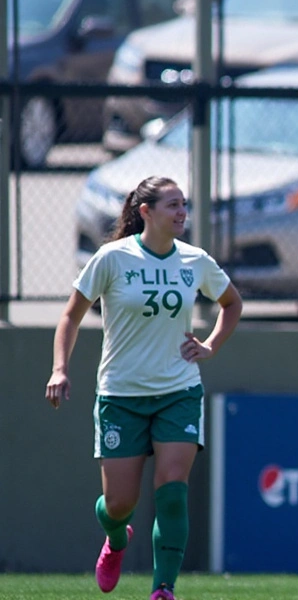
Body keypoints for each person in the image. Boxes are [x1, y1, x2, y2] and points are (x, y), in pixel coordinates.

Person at [45, 176, 244, 600]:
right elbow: (70, 317)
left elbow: (232, 303)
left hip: (179, 391)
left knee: (172, 489)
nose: (181, 213)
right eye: (172, 205)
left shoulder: (195, 261)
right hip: (121, 396)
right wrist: (60, 369)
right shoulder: (112, 258)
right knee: (118, 505)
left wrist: (210, 346)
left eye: (184, 205)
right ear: (145, 211)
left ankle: (163, 589)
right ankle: (117, 539)